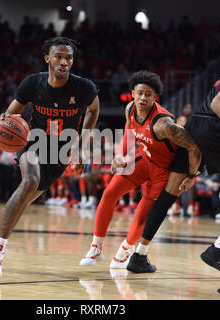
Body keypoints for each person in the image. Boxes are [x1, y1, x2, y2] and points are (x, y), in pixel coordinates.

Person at [0, 37, 100, 277]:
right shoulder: (32, 84)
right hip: (31, 142)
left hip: (59, 151)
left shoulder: (83, 87)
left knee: (23, 199)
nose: (64, 61)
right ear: (47, 58)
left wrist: (80, 145)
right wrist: (3, 127)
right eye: (58, 56)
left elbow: (94, 109)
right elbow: (10, 115)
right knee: (29, 181)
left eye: (69, 57)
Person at [79, 71, 201, 270]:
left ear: (155, 97)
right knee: (109, 193)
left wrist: (192, 175)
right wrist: (120, 154)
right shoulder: (130, 109)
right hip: (143, 160)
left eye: (149, 94)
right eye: (140, 93)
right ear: (133, 93)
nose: (143, 97)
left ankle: (125, 251)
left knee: (143, 214)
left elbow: (193, 146)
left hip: (163, 171)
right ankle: (96, 247)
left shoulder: (164, 124)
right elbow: (129, 131)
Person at [128, 67, 220, 276]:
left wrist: (193, 174)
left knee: (168, 196)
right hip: (215, 131)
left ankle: (139, 255)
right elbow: (218, 104)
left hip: (196, 129)